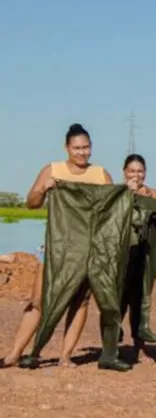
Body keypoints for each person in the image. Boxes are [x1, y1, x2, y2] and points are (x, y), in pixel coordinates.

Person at [2, 123, 113, 369]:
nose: (82, 153)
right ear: (67, 148)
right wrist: (44, 188)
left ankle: (65, 356)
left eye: (86, 147)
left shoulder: (101, 175)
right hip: (54, 247)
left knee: (80, 301)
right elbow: (31, 203)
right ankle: (14, 353)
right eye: (77, 148)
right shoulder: (53, 170)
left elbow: (112, 212)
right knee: (39, 300)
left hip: (87, 250)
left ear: (91, 147)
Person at [119, 154, 156, 363]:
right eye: (132, 171)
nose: (136, 175)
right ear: (124, 172)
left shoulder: (153, 194)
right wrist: (127, 194)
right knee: (118, 298)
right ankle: (112, 343)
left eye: (140, 171)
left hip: (147, 255)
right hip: (122, 255)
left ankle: (139, 346)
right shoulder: (118, 192)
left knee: (141, 299)